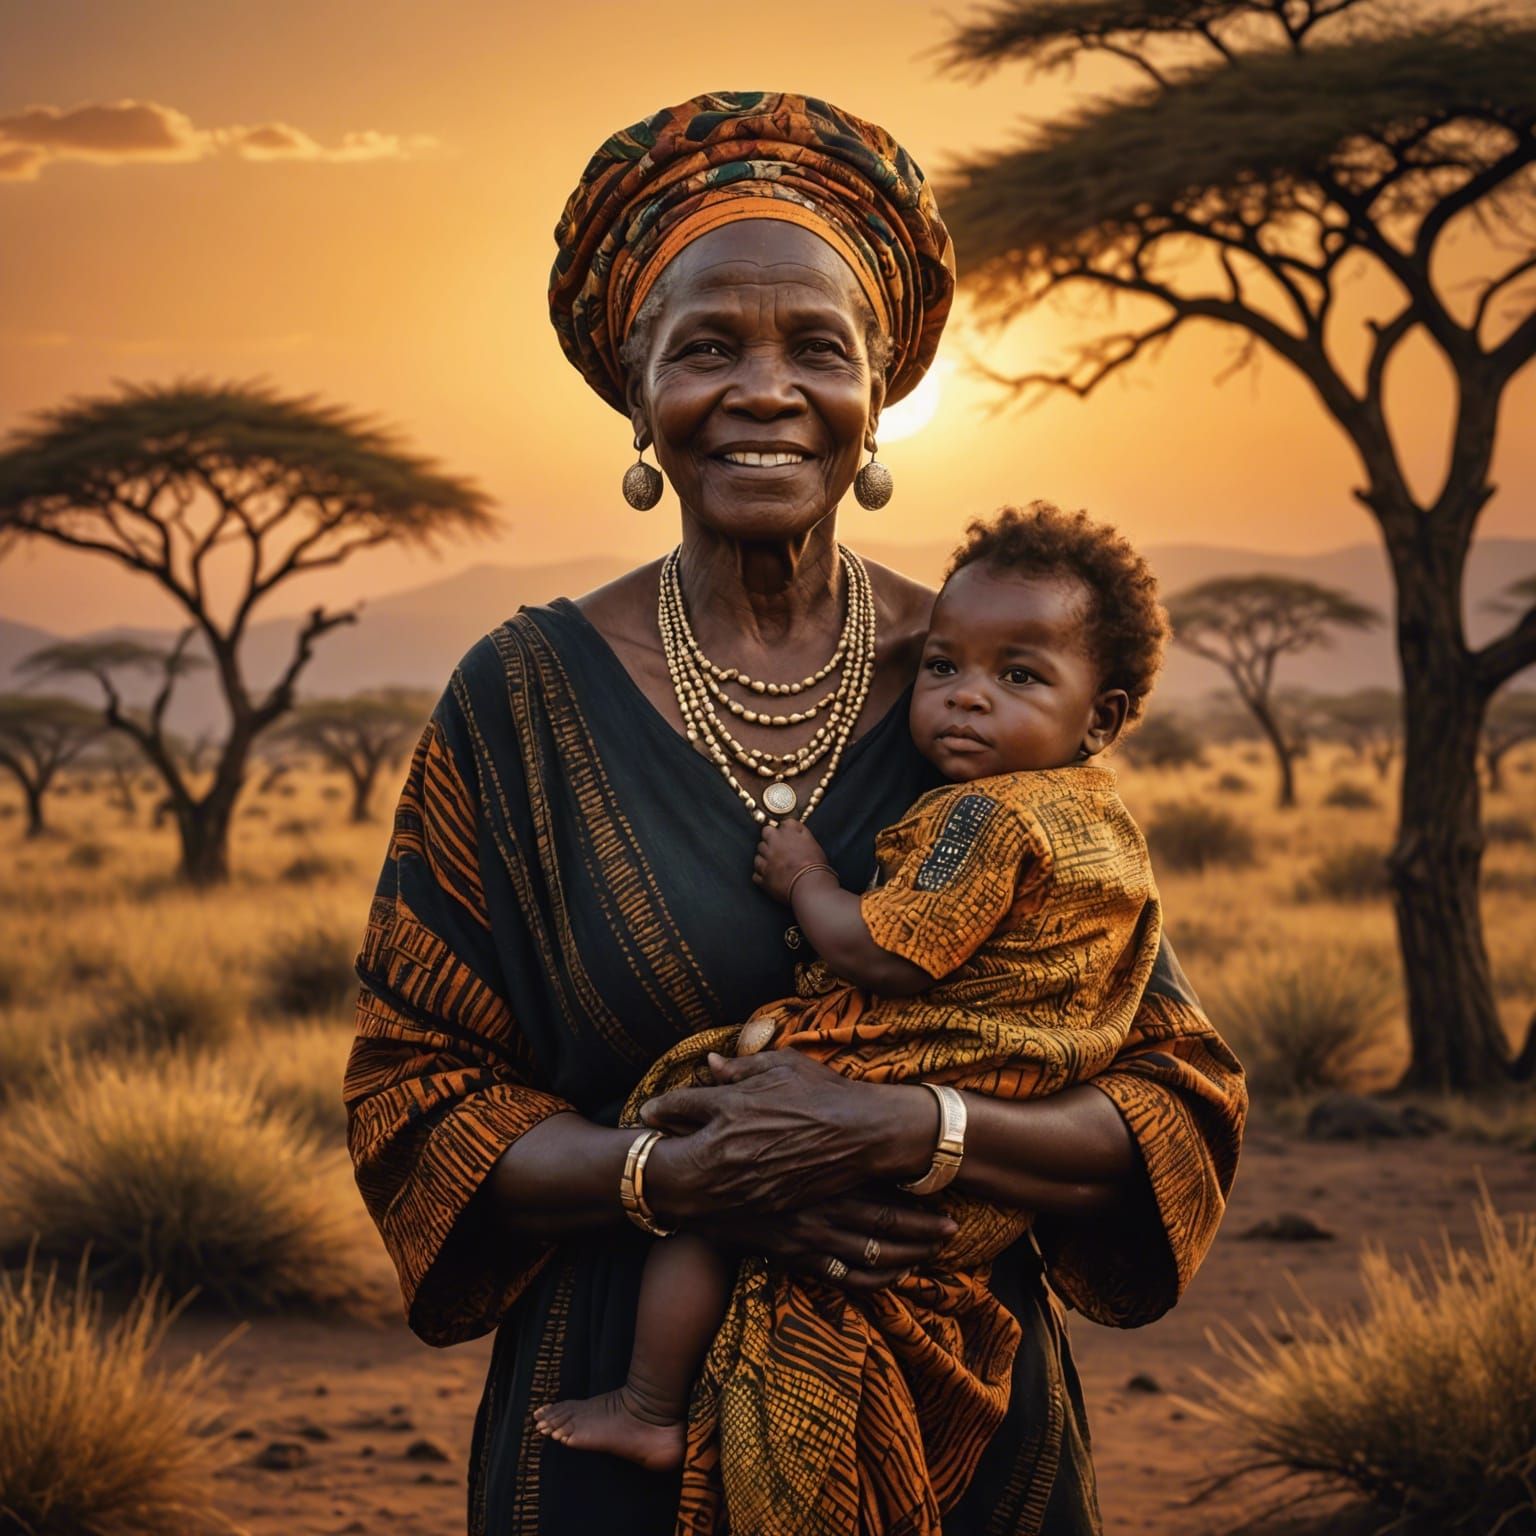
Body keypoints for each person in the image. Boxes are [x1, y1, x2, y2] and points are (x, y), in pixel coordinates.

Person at [343, 90, 1247, 1536]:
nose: (765, 389)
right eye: (708, 347)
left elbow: (1168, 1097)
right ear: (640, 391)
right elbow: (416, 1094)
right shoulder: (518, 703)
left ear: (876, 396)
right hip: (614, 1420)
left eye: (815, 348)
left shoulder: (990, 700)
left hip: (952, 1425)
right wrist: (675, 1176)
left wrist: (906, 1131)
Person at [532, 502, 1169, 1536]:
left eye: (1018, 678)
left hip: (904, 1088)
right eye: (942, 669)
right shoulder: (1111, 832)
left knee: (706, 1147)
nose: (966, 701)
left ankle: (649, 1406)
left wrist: (808, 879)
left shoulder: (987, 813)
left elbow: (886, 948)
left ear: (1101, 718)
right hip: (996, 1164)